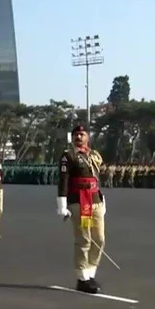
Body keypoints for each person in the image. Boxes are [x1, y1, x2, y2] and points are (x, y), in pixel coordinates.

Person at [56, 124, 106, 294]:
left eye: (82, 134)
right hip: (79, 202)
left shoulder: (93, 155)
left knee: (99, 239)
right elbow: (63, 180)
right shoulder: (68, 156)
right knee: (84, 240)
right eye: (76, 134)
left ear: (87, 137)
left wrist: (102, 199)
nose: (78, 137)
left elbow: (96, 178)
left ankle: (91, 272)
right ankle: (82, 277)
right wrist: (62, 205)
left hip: (95, 200)